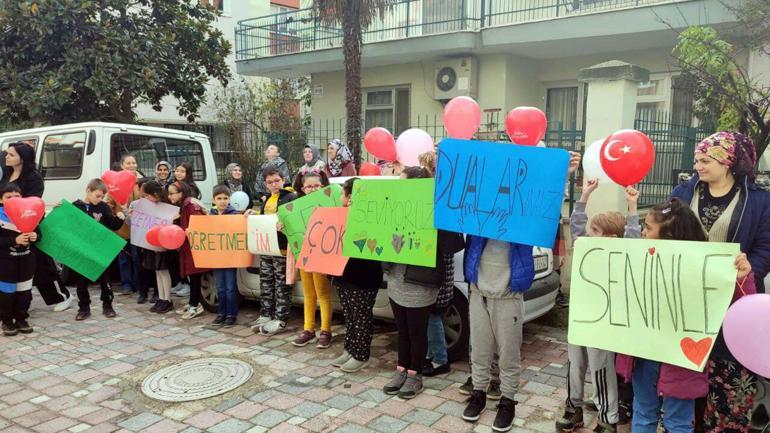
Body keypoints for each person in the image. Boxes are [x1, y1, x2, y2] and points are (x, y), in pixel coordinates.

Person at [616, 199, 752, 433]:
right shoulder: (637, 259)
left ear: (668, 237)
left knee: (677, 420)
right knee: (643, 411)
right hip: (643, 355)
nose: (642, 232)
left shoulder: (706, 269)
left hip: (683, 360)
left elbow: (742, 309)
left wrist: (742, 278)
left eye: (648, 228)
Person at [669, 131, 770, 433]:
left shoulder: (759, 201)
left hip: (736, 300)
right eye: (697, 159)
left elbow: (765, 246)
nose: (698, 165)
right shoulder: (683, 193)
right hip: (688, 300)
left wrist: (751, 266)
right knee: (687, 370)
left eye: (705, 159)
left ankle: (725, 427)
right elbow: (666, 235)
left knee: (729, 372)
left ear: (727, 161)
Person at [555, 179, 641, 433]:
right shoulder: (585, 246)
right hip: (580, 318)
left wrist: (633, 207)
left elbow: (632, 240)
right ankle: (573, 408)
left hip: (602, 323)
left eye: (595, 231)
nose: (587, 234)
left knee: (602, 369)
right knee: (575, 365)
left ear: (612, 238)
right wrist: (585, 195)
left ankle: (607, 417)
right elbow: (577, 227)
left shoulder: (620, 254)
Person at [382, 166, 464, 400]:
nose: (400, 187)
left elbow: (453, 245)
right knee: (403, 331)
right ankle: (401, 371)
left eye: (404, 182)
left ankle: (414, 375)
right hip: (397, 279)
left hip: (421, 282)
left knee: (418, 333)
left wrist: (443, 218)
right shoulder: (395, 208)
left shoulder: (435, 212)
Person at [1, 142, 73, 311]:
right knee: (11, 266)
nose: (6, 157)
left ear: (22, 158)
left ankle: (61, 296)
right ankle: (19, 302)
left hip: (29, 225)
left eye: (11, 155)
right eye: (7, 153)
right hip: (6, 225)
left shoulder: (33, 178)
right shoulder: (5, 172)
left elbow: (32, 204)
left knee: (41, 265)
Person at [330, 177, 384, 372]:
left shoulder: (368, 216)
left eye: (342, 193)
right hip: (344, 275)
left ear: (350, 196)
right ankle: (350, 349)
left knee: (361, 317)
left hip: (362, 277)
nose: (340, 197)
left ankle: (361, 354)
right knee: (350, 316)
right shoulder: (340, 216)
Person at [72, 179, 127, 320]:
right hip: (82, 250)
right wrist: (60, 208)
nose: (100, 199)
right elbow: (67, 225)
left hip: (100, 249)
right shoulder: (76, 206)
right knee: (82, 281)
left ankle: (108, 305)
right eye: (97, 196)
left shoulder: (103, 207)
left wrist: (120, 218)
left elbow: (112, 225)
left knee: (105, 279)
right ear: (88, 191)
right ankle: (84, 307)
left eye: (102, 197)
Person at [291, 170, 334, 349]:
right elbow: (290, 224)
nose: (313, 189)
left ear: (323, 186)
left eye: (316, 185)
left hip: (322, 254)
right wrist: (281, 225)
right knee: (308, 293)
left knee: (323, 293)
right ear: (302, 188)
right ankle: (308, 329)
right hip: (304, 254)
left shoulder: (330, 203)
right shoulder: (297, 205)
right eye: (309, 186)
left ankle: (326, 330)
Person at [252, 166, 295, 335]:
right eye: (270, 182)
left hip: (282, 248)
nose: (274, 184)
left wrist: (285, 225)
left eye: (277, 180)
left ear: (283, 180)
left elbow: (295, 220)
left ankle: (281, 318)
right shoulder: (268, 199)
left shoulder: (291, 197)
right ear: (265, 184)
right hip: (267, 247)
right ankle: (265, 314)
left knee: (281, 284)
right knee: (266, 281)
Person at [130, 179, 175, 314]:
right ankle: (161, 298)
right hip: (152, 242)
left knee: (163, 270)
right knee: (157, 271)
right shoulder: (148, 206)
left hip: (163, 243)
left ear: (155, 194)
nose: (147, 199)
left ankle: (167, 299)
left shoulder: (166, 206)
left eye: (148, 196)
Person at [0, 183, 38, 336]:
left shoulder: (29, 212)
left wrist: (36, 236)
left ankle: (22, 319)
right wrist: (14, 240)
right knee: (6, 295)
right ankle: (7, 322)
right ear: (1, 200)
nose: (14, 199)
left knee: (24, 293)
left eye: (17, 196)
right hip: (5, 263)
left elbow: (39, 232)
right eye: (9, 197)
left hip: (26, 262)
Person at [167, 181, 209, 319]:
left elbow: (199, 224)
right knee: (192, 275)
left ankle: (195, 305)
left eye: (172, 193)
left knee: (195, 275)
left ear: (181, 193)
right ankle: (192, 302)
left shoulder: (190, 205)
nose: (170, 196)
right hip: (187, 245)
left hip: (194, 246)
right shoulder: (182, 206)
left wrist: (189, 231)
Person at [209, 185, 242, 328]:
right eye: (219, 198)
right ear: (213, 200)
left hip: (230, 257)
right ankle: (221, 313)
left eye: (225, 198)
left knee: (230, 287)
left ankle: (231, 314)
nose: (222, 201)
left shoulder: (234, 215)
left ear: (229, 199)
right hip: (217, 257)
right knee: (220, 287)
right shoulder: (210, 216)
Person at [110, 154, 143, 297]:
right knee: (123, 259)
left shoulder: (141, 182)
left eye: (133, 162)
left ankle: (139, 284)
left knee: (137, 258)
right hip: (121, 228)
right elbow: (108, 202)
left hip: (139, 227)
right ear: (122, 166)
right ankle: (127, 284)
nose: (131, 165)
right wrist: (115, 213)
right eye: (128, 163)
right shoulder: (115, 183)